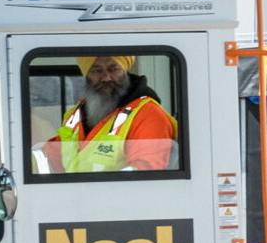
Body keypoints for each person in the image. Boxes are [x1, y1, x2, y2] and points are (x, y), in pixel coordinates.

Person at [40, 55, 178, 173]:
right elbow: (53, 156)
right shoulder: (74, 115)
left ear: (125, 71)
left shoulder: (148, 114)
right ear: (86, 76)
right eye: (97, 70)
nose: (106, 78)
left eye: (114, 69)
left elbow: (145, 173)